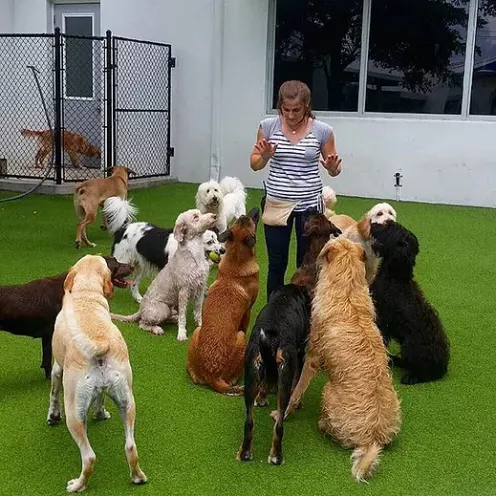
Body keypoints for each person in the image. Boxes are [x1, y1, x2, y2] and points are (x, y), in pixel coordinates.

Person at [250, 80, 342, 300]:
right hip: (277, 204)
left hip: (309, 207)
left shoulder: (322, 131)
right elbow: (254, 164)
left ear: (307, 105)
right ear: (280, 106)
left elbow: (334, 169)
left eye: (296, 110)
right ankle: (273, 311)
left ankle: (303, 312)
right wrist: (264, 156)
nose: (290, 115)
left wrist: (332, 168)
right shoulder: (268, 127)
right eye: (285, 109)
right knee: (276, 263)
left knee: (307, 262)